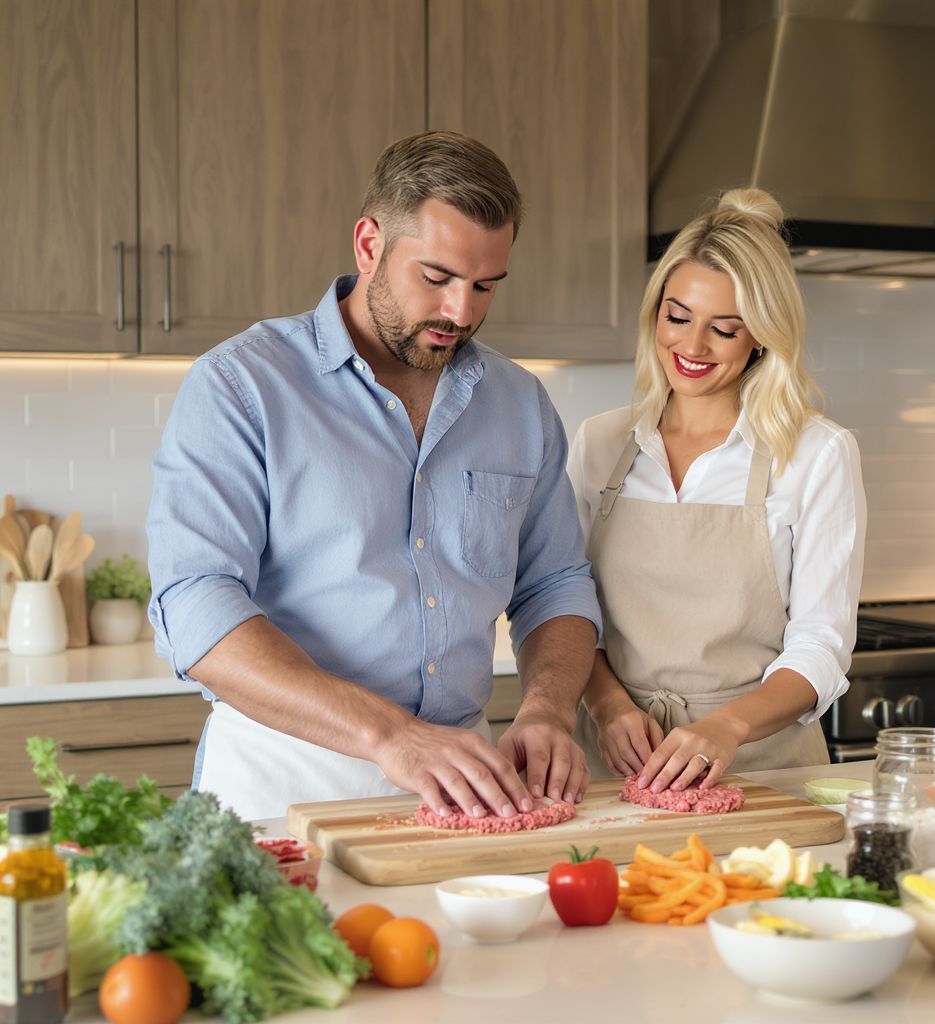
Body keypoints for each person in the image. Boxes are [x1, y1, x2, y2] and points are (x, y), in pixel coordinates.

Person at [147, 131, 601, 822]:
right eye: (437, 277)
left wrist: (546, 711)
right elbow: (195, 606)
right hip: (285, 775)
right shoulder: (242, 385)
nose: (461, 312)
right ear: (369, 245)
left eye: (485, 286)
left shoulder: (519, 403)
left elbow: (555, 584)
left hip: (464, 776)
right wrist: (390, 736)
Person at [568, 188, 866, 794]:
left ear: (760, 335)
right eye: (677, 317)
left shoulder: (815, 454)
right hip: (614, 763)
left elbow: (821, 644)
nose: (692, 347)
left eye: (723, 330)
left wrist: (726, 727)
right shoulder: (598, 443)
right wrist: (606, 706)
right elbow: (565, 606)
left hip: (762, 768)